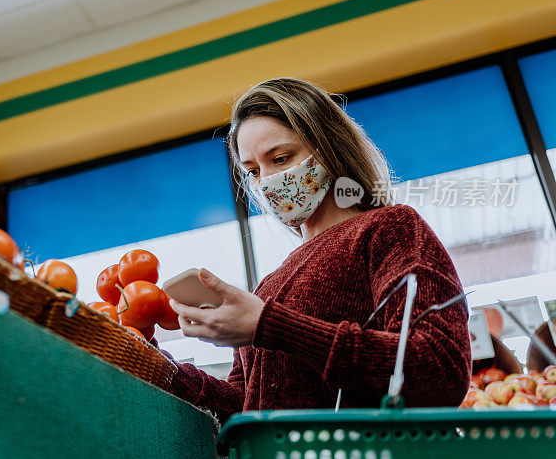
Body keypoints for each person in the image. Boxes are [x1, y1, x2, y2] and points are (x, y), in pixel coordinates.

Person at [160, 78, 471, 423]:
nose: (267, 180)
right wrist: (164, 370)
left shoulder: (389, 229)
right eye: (253, 171)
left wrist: (269, 325)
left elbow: (439, 370)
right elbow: (249, 406)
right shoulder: (268, 286)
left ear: (329, 145)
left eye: (280, 158)